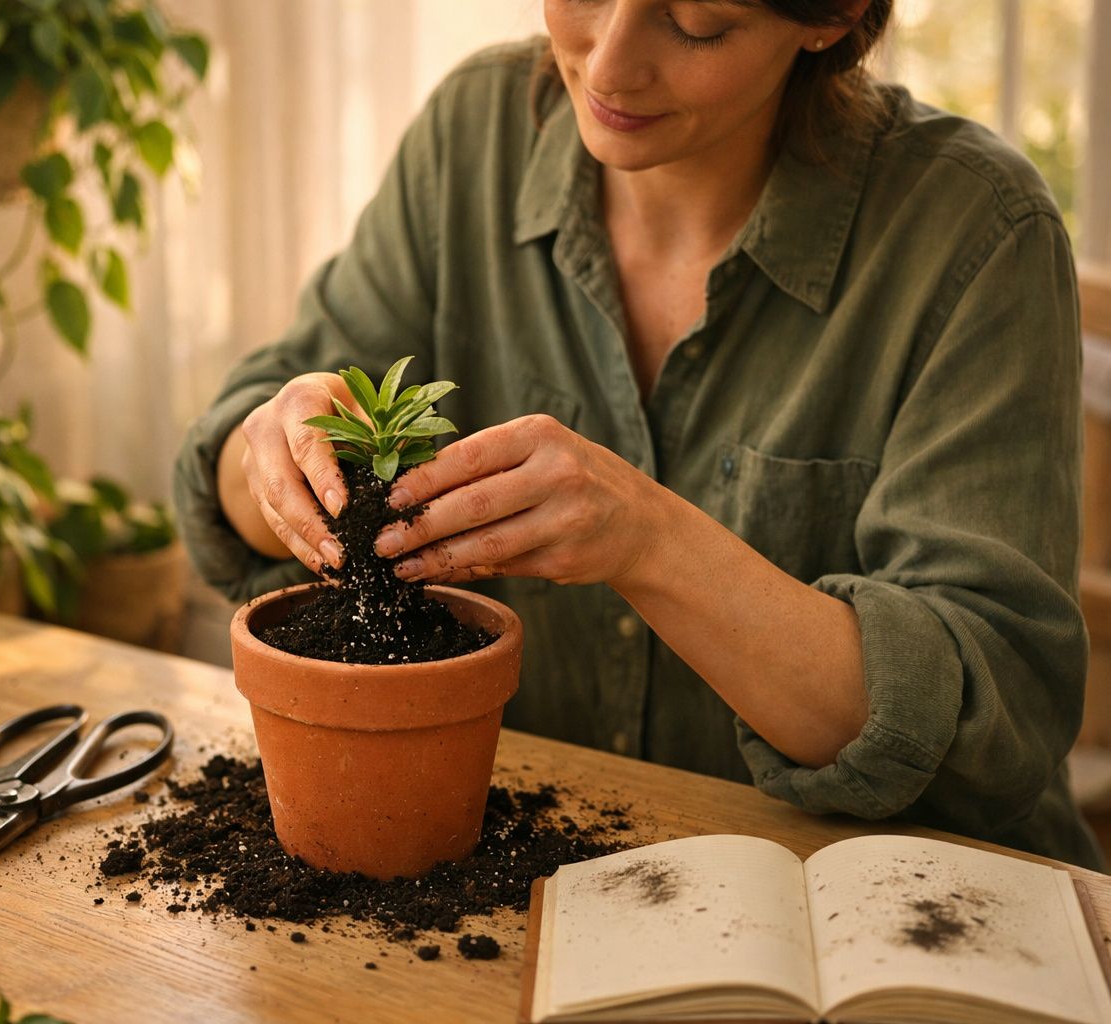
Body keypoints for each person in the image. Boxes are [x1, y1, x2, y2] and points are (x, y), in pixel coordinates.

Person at [173, 0, 1103, 868]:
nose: (609, 65)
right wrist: (277, 462)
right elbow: (247, 444)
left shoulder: (977, 231)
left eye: (697, 23)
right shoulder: (477, 132)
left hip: (884, 904)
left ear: (833, 18)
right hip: (543, 873)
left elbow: (993, 722)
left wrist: (648, 538)